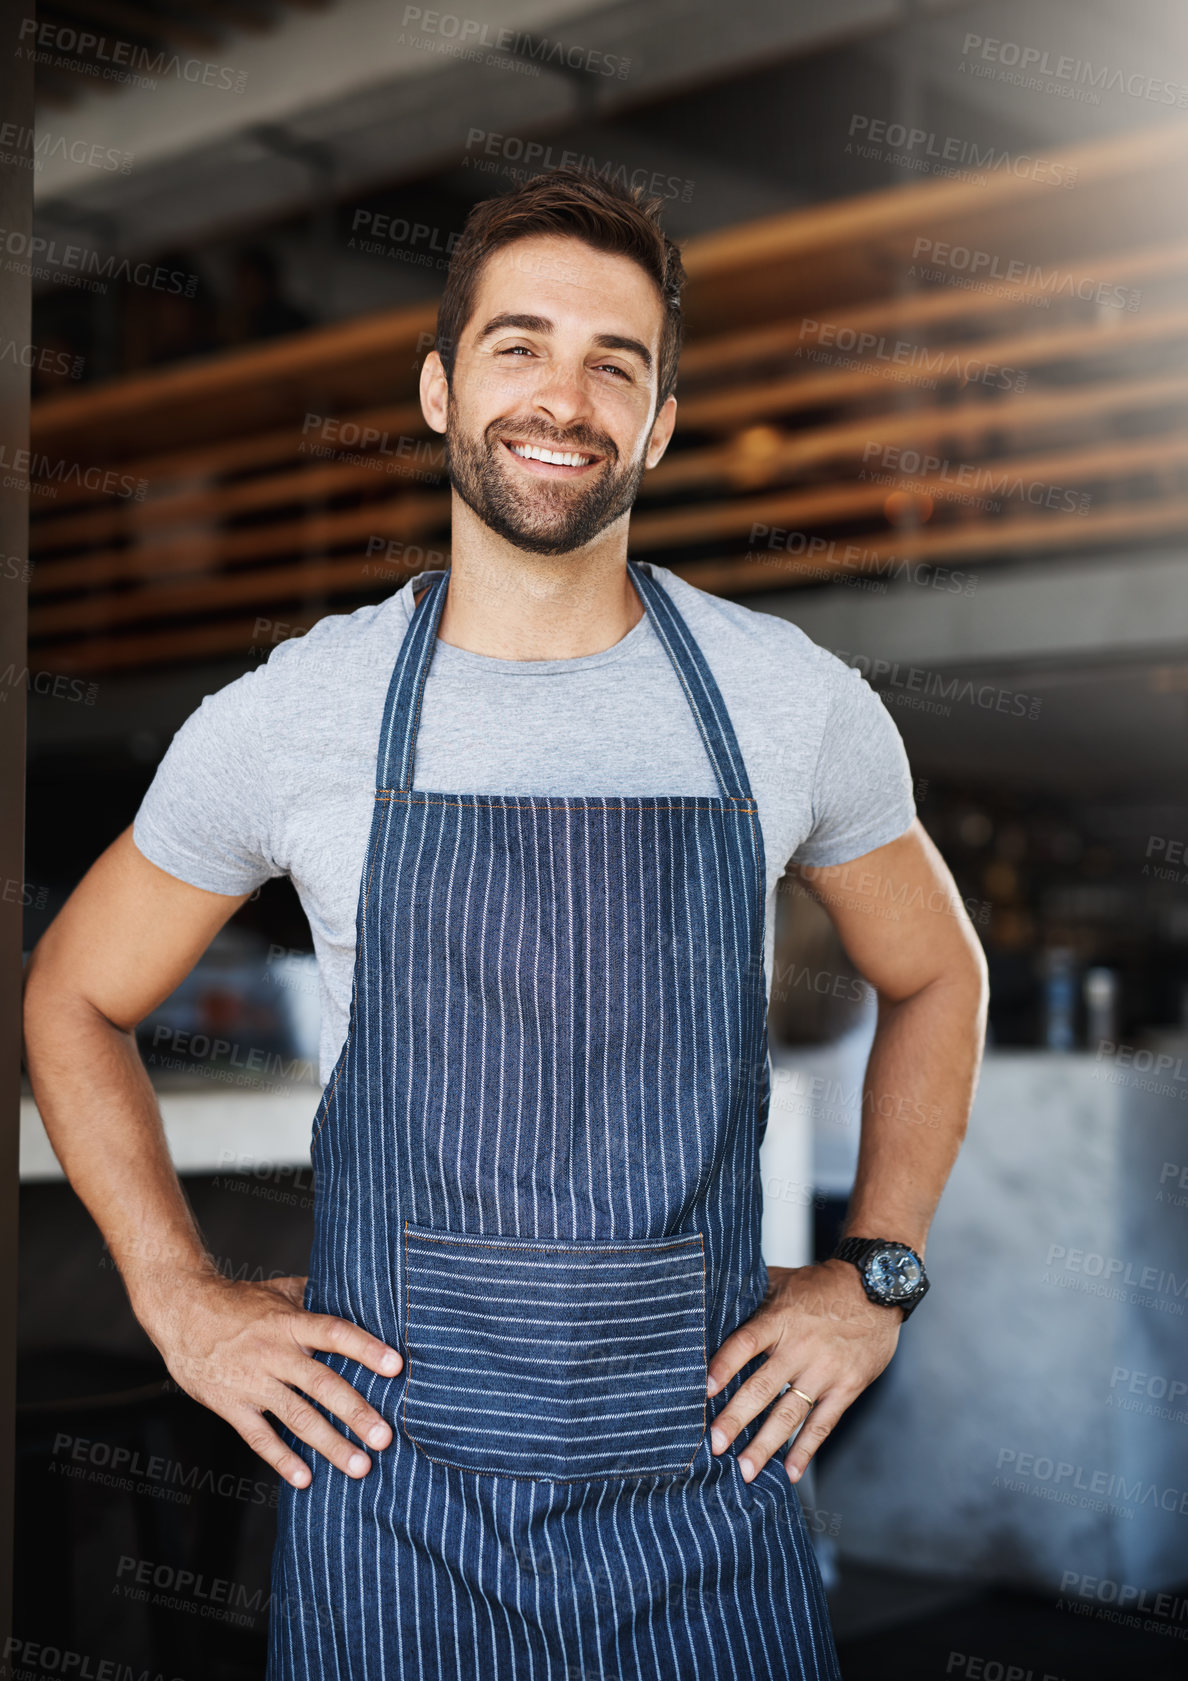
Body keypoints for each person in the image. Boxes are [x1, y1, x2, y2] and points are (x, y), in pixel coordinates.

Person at [22, 168, 989, 1678]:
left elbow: (939, 974)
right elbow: (72, 996)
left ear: (662, 422)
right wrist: (178, 1297)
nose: (567, 396)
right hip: (391, 1502)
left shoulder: (788, 702)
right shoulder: (299, 712)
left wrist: (878, 1274)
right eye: (520, 344)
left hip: (706, 1504)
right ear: (438, 386)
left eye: (618, 361)